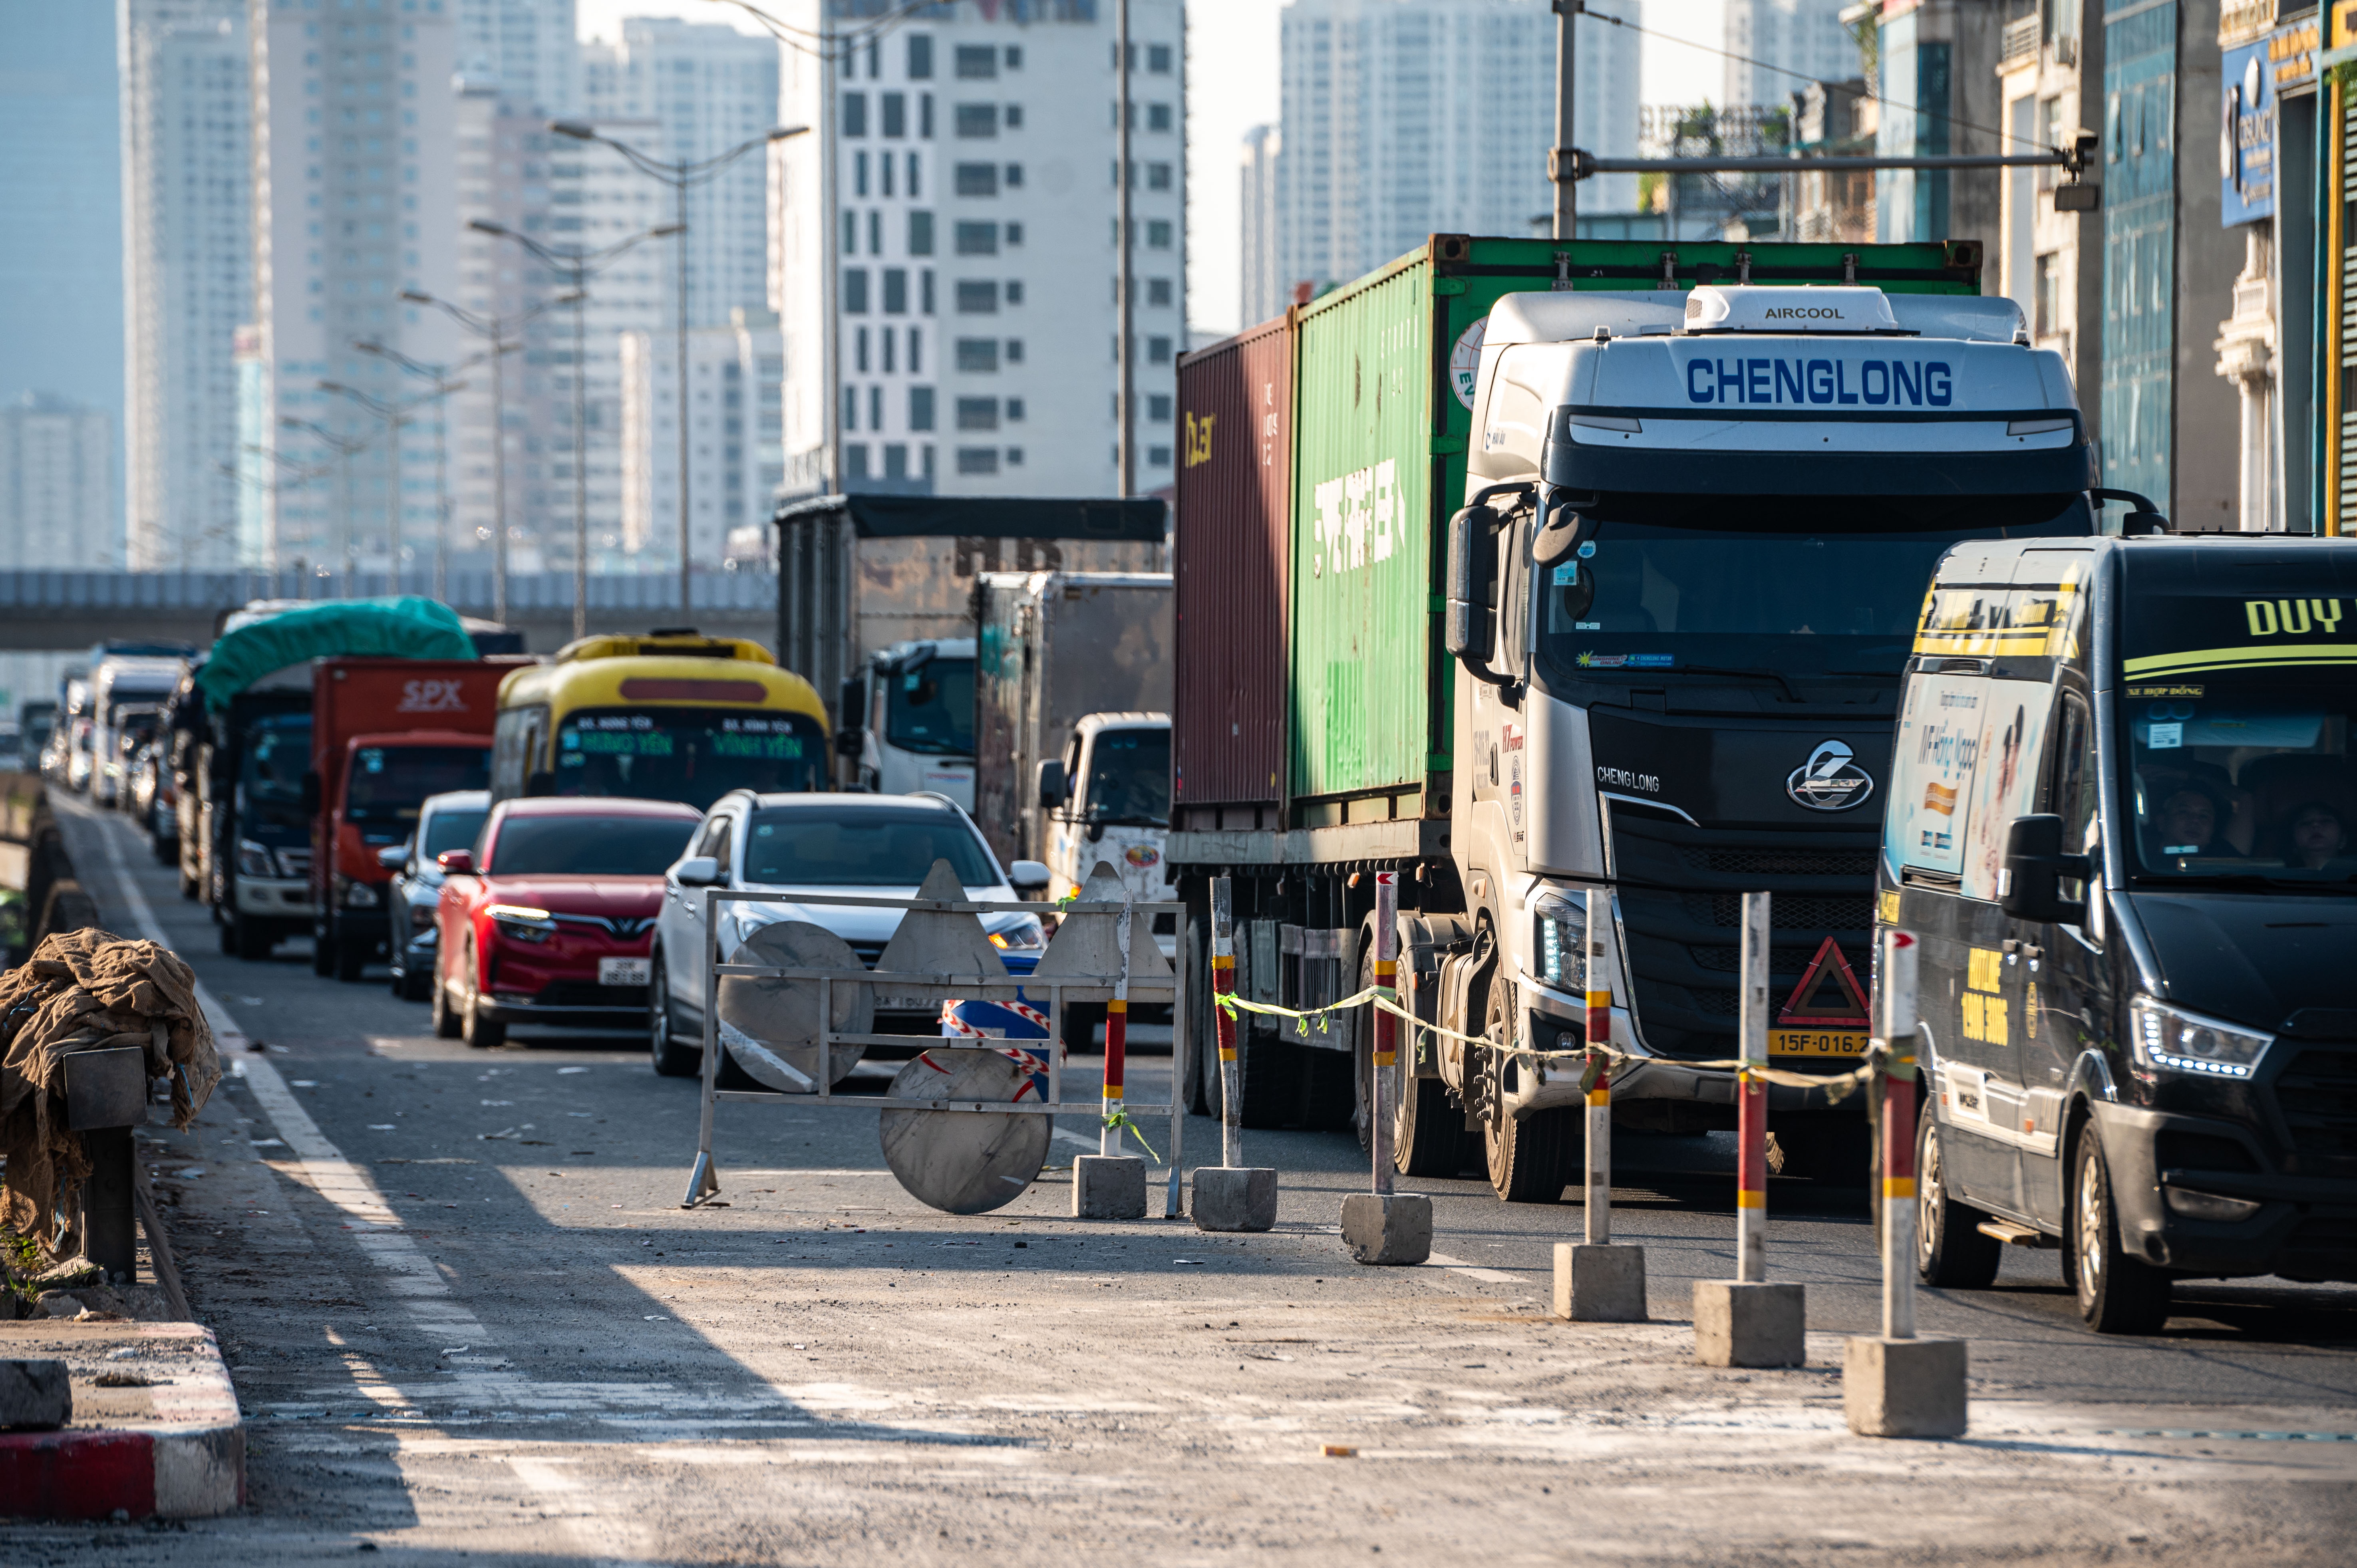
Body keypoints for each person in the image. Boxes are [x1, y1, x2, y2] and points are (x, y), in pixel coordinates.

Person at [2283, 801, 2351, 870]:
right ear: (2293, 842)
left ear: (2343, 839)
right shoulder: (2281, 875)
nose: (2315, 825)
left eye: (2326, 821)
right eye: (2305, 823)